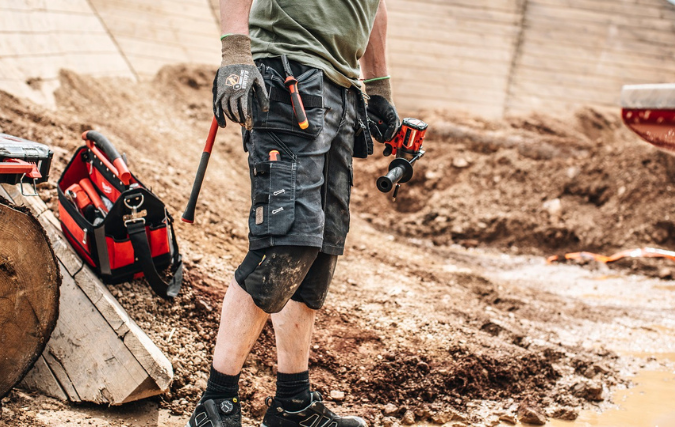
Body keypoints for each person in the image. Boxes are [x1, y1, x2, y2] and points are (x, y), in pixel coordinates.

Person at [186, 0, 400, 426]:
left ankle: (292, 406)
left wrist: (377, 88)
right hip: (290, 76)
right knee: (284, 245)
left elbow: (374, 6)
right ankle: (216, 403)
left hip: (341, 89)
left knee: (319, 251)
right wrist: (234, 51)